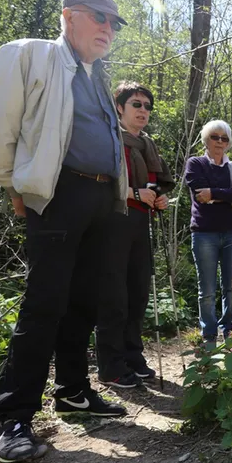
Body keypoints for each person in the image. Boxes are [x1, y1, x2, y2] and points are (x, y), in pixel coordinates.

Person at [0, 0, 129, 463]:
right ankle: (13, 417)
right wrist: (12, 183)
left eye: (114, 23)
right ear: (69, 14)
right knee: (45, 303)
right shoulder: (29, 53)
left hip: (101, 199)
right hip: (57, 194)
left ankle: (73, 392)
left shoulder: (97, 76)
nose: (108, 29)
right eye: (99, 17)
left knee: (84, 301)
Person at [96, 82, 174, 388]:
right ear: (120, 107)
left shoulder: (147, 145)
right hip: (113, 222)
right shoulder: (109, 140)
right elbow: (100, 181)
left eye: (147, 106)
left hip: (141, 222)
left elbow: (156, 185)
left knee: (137, 292)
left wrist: (159, 199)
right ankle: (110, 365)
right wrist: (134, 192)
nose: (144, 111)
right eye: (136, 104)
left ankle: (132, 356)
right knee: (114, 294)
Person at [185, 120, 232, 349]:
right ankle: (208, 334)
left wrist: (215, 193)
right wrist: (227, 194)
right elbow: (200, 194)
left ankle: (229, 329)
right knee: (207, 289)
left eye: (224, 138)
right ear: (206, 139)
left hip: (231, 232)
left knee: (230, 285)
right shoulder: (195, 163)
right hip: (204, 233)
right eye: (215, 137)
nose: (220, 142)